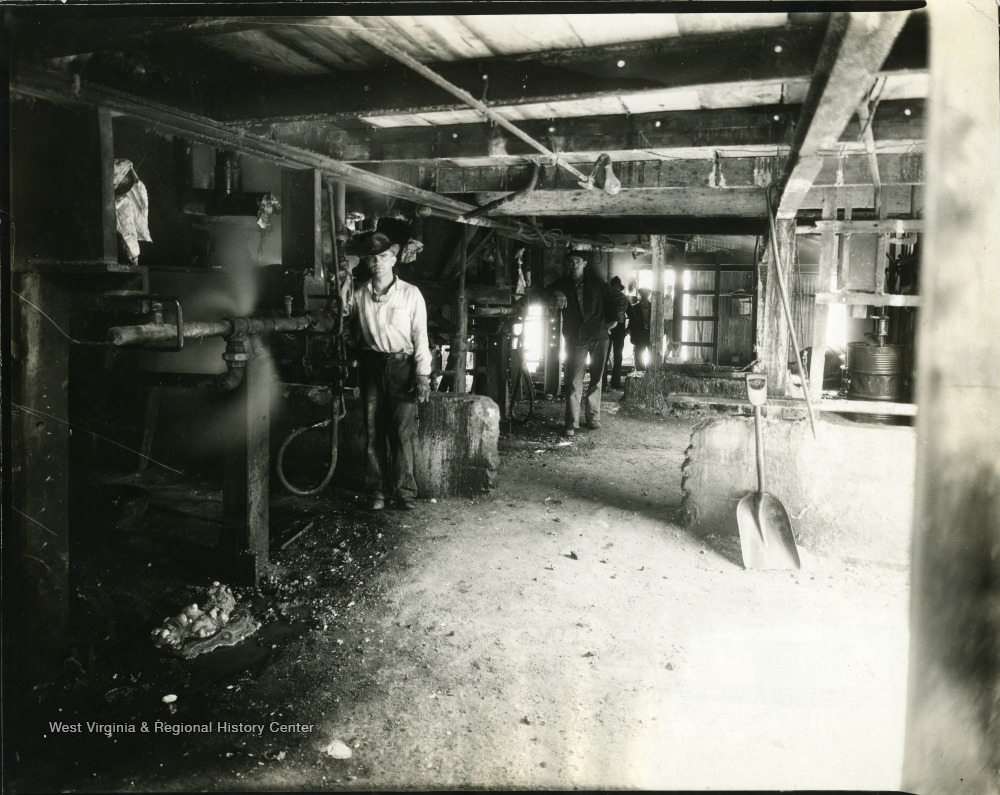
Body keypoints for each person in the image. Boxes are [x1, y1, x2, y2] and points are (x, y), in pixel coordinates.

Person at [348, 232, 431, 511]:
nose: (378, 263)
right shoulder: (358, 295)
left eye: (383, 257)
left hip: (402, 367)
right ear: (367, 263)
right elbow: (345, 328)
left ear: (394, 258)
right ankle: (377, 491)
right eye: (372, 258)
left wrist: (422, 376)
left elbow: (421, 337)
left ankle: (404, 491)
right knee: (373, 431)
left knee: (402, 431)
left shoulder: (411, 294)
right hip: (371, 367)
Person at [548, 250, 619, 437]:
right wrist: (556, 293)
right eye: (570, 262)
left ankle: (593, 418)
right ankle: (571, 423)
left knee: (596, 379)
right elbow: (543, 291)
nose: (573, 265)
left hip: (599, 337)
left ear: (585, 263)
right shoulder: (562, 284)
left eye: (577, 261)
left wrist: (614, 320)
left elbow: (621, 299)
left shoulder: (597, 284)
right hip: (576, 338)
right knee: (573, 381)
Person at [604, 276, 630, 389]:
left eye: (617, 287)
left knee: (618, 357)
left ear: (620, 288)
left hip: (619, 332)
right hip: (606, 331)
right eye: (613, 286)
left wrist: (628, 329)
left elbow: (632, 316)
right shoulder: (605, 299)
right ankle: (603, 383)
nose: (615, 288)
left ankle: (615, 382)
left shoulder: (624, 300)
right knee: (604, 357)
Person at [627, 288, 652, 370]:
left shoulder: (653, 307)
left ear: (649, 294)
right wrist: (632, 333)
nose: (644, 295)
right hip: (639, 334)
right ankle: (640, 374)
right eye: (642, 293)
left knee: (651, 355)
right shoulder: (635, 307)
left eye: (646, 293)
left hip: (650, 334)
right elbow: (632, 321)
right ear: (640, 295)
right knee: (639, 355)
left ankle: (649, 373)